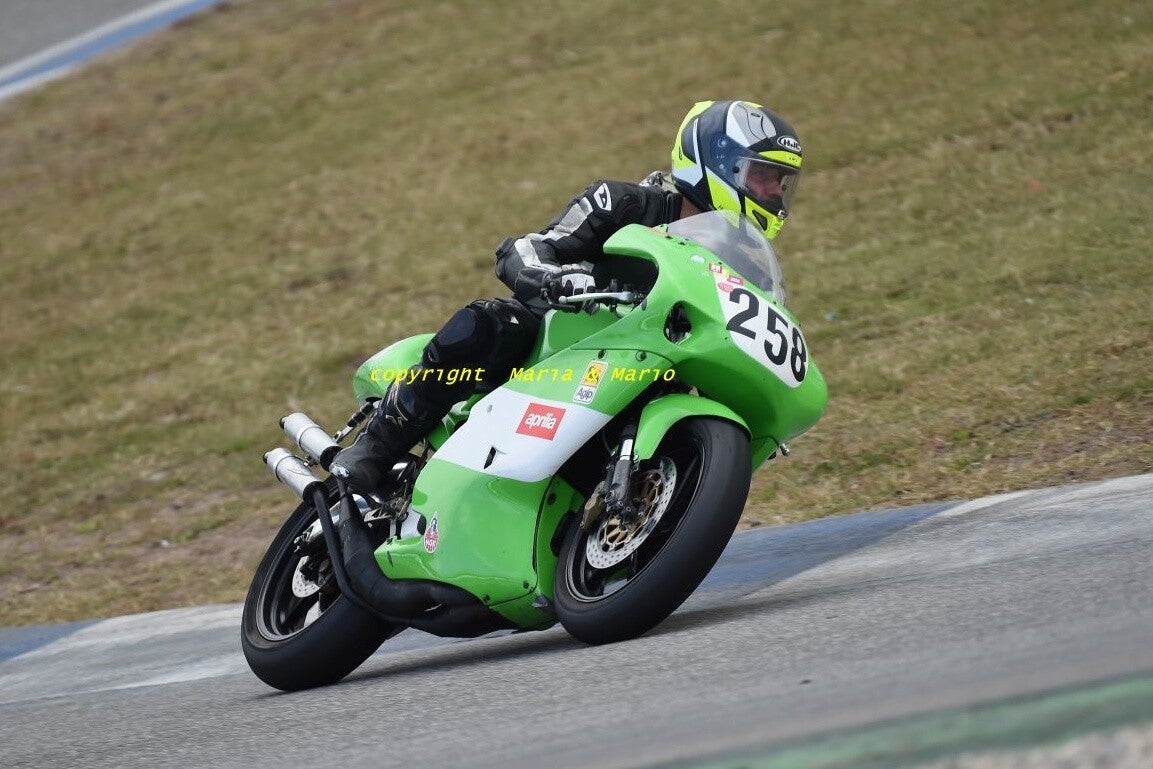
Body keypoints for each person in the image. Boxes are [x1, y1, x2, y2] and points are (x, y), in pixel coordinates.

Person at [330, 99, 804, 496]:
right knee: (490, 323)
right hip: (559, 343)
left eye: (781, 183)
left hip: (643, 368)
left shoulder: (750, 268)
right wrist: (553, 278)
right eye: (763, 175)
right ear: (715, 162)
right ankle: (378, 444)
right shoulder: (624, 203)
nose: (774, 194)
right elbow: (528, 247)